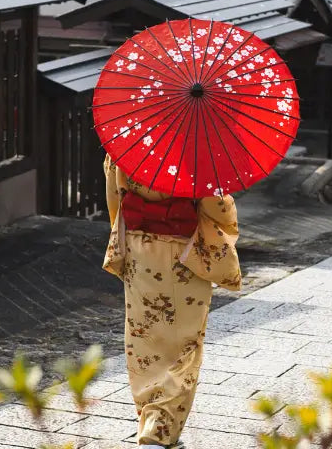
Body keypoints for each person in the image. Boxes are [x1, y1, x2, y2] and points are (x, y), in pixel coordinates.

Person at [103, 154, 241, 449]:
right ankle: (159, 431)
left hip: (140, 251)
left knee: (144, 340)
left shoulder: (126, 144)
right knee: (184, 346)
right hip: (184, 254)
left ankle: (150, 420)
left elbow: (115, 196)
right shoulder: (197, 150)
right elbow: (217, 206)